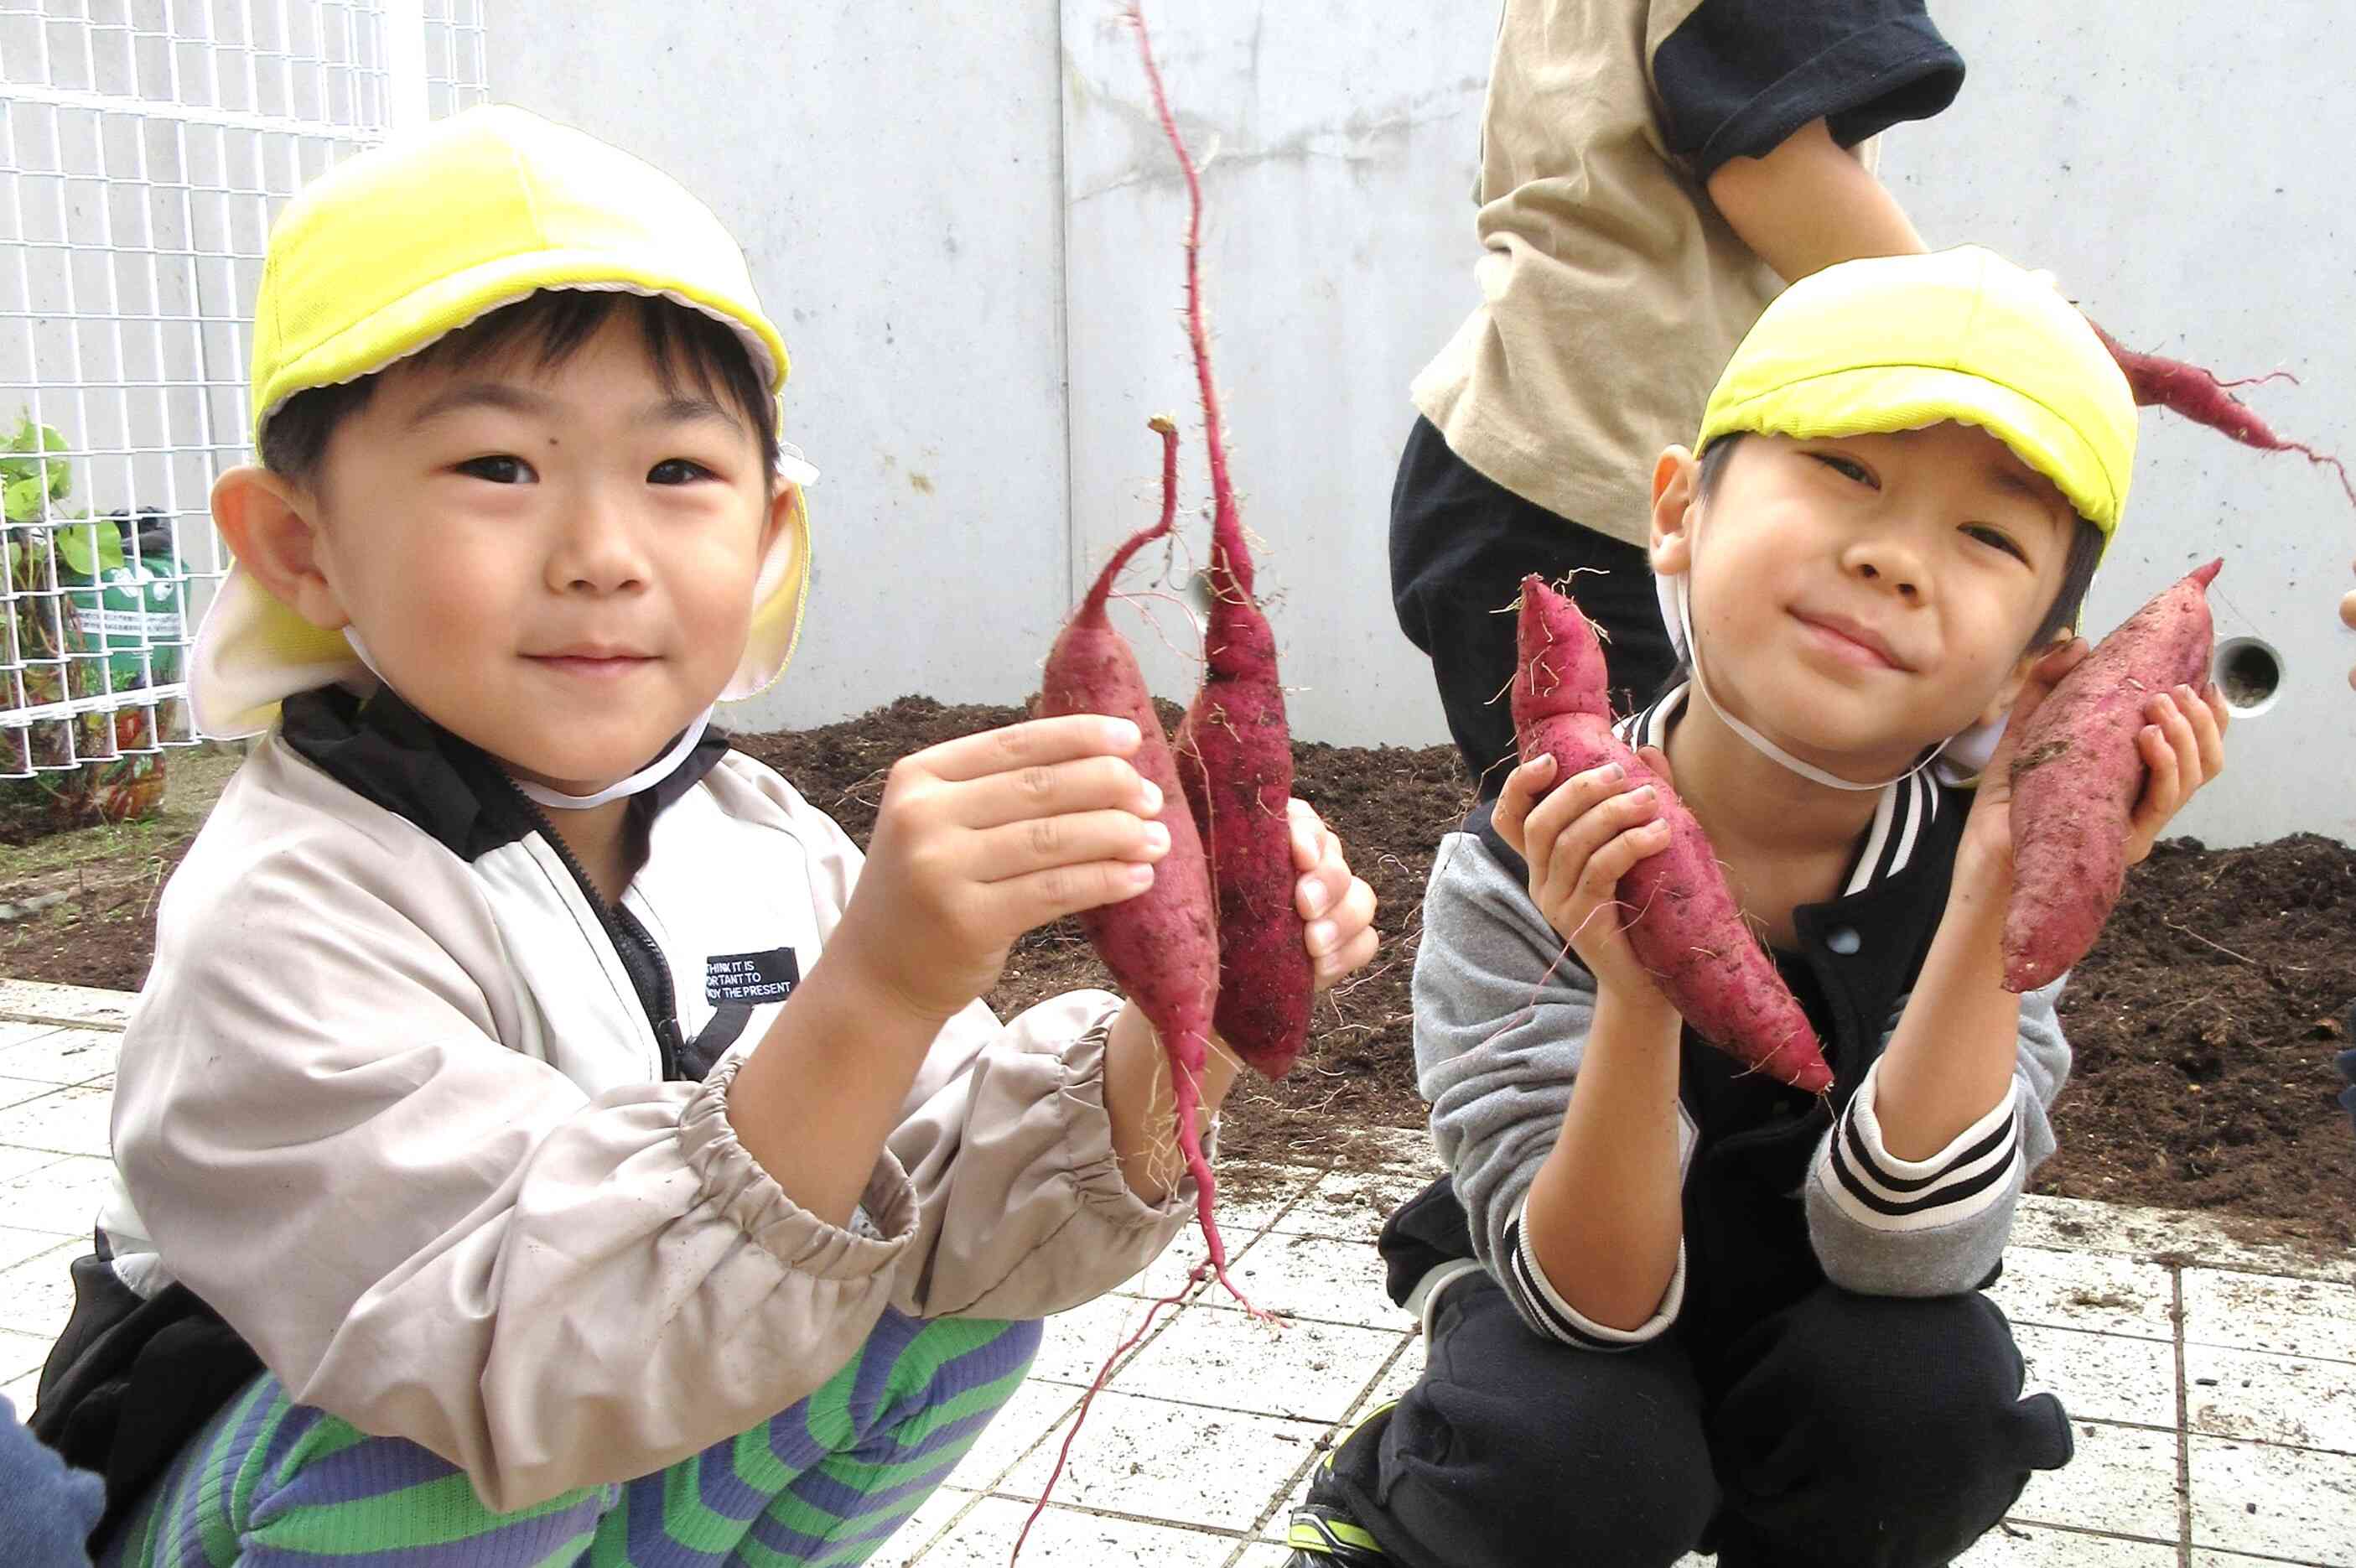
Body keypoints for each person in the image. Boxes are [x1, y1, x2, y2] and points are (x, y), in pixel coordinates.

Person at [26, 105, 1378, 1565]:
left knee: (951, 1327)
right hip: (275, 1494)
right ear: (300, 545)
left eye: (677, 475)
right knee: (452, 1464)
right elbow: (513, 1362)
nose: (603, 555)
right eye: (498, 467)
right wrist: (872, 992)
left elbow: (941, 1209)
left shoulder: (762, 843)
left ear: (770, 533)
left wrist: (1196, 1023)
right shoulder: (291, 908)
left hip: (589, 1447)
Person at [1283, 247, 2232, 1568]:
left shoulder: (1986, 868)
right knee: (1589, 1450)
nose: (1894, 557)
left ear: (2034, 672)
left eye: (1985, 536)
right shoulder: (1521, 865)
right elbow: (1595, 1305)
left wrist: (1994, 902)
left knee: (1927, 1401)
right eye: (1846, 470)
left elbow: (1906, 1252)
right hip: (1565, 1314)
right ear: (1678, 510)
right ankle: (1389, 1511)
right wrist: (1632, 989)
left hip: (1829, 1300)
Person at [1392, 0, 1967, 797]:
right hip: (1602, 497)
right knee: (1636, 876)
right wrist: (1990, 340)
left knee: (1571, 866)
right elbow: (1767, 165)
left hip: (1515, 454)